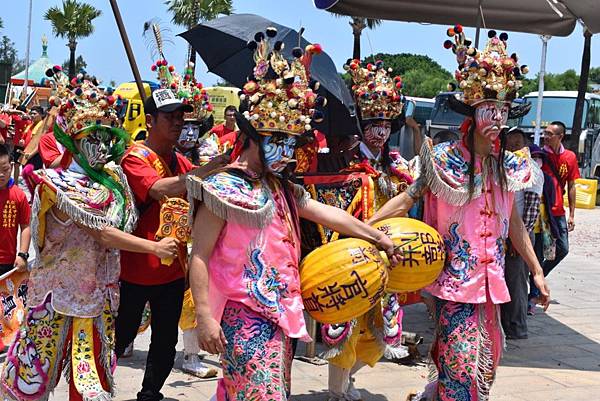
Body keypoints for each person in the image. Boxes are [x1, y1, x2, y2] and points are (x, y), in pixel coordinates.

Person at [186, 30, 399, 401]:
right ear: (254, 136)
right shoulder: (223, 188)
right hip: (244, 314)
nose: (287, 152)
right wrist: (204, 315)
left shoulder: (283, 187)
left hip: (282, 315)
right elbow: (199, 254)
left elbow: (330, 215)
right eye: (278, 141)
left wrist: (377, 237)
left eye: (291, 142)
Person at [371, 27, 550, 401]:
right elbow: (407, 198)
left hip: (491, 284)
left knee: (487, 365)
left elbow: (514, 224)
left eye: (503, 110)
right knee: (462, 364)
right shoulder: (442, 160)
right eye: (490, 109)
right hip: (453, 283)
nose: (498, 119)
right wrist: (368, 228)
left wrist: (535, 270)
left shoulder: (506, 166)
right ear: (472, 112)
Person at [0, 77, 179, 401]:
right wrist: (153, 246)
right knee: (31, 383)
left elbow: (125, 221)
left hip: (96, 300)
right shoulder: (55, 182)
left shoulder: (113, 182)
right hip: (54, 297)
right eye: (90, 138)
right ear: (72, 139)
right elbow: (102, 231)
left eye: (105, 138)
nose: (100, 146)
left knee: (90, 386)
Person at [114, 86, 224, 401]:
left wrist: (226, 165)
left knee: (165, 340)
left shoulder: (179, 160)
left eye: (181, 117)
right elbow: (159, 189)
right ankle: (100, 385)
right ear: (150, 120)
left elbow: (204, 189)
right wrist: (205, 171)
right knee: (120, 336)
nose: (178, 123)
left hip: (173, 269)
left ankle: (151, 392)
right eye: (170, 117)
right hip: (136, 267)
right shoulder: (135, 157)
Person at [322, 58, 418, 401]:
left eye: (386, 123)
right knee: (348, 324)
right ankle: (336, 388)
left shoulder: (396, 165)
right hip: (351, 254)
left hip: (386, 256)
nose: (380, 132)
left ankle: (346, 380)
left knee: (381, 334)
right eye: (373, 123)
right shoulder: (342, 160)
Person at [528, 121, 579, 309]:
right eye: (545, 133)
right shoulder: (539, 156)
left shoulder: (570, 157)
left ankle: (536, 278)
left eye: (550, 134)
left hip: (558, 213)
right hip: (542, 214)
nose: (546, 136)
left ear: (560, 136)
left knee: (563, 249)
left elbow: (572, 185)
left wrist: (572, 214)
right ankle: (533, 294)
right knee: (540, 251)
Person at [500, 129, 543, 339]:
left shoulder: (532, 170)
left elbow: (532, 209)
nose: (511, 148)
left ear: (525, 145)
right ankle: (504, 324)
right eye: (508, 144)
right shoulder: (505, 166)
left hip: (520, 234)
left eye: (516, 144)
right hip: (504, 233)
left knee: (516, 282)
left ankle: (516, 327)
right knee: (505, 280)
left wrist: (520, 244)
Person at [0, 144, 31, 275]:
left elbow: (25, 226)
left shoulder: (19, 195)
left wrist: (23, 254)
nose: (1, 174)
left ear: (11, 167)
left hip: (8, 261)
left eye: (5, 169)